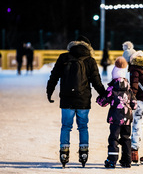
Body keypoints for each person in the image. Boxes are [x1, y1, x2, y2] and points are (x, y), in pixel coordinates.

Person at [46, 35, 106, 168]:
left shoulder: (64, 57)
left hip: (67, 99)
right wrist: (104, 95)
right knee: (83, 127)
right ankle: (83, 152)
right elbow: (97, 81)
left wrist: (49, 91)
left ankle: (64, 152)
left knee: (66, 126)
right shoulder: (90, 60)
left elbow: (54, 76)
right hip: (83, 99)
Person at [97, 57, 137, 168]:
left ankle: (112, 160)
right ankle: (126, 160)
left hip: (115, 118)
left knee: (113, 138)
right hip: (127, 118)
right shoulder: (129, 89)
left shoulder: (111, 88)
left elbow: (102, 102)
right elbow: (135, 104)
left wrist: (99, 99)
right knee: (126, 138)